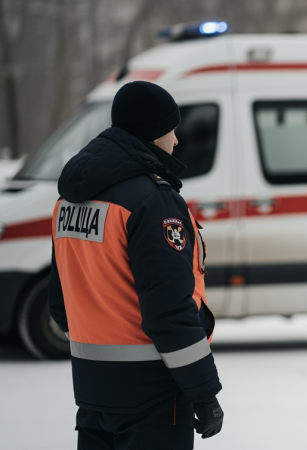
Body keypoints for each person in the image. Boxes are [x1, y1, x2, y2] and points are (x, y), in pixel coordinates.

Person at [49, 81, 224, 449]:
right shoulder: (152, 201)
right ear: (153, 132)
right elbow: (169, 310)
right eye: (170, 129)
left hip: (92, 392)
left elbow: (60, 302)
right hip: (153, 396)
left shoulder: (68, 201)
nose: (176, 141)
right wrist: (204, 391)